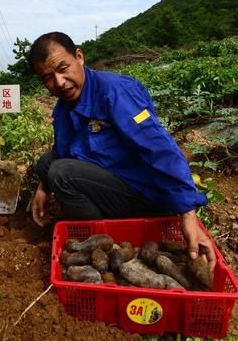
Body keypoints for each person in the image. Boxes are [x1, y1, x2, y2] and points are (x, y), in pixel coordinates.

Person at [28, 32, 216, 271]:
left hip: (145, 194)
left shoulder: (116, 93)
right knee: (47, 164)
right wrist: (43, 187)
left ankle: (103, 244)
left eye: (63, 68)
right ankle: (102, 237)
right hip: (112, 180)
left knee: (62, 173)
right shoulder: (64, 107)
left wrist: (188, 213)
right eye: (48, 78)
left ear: (79, 57)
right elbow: (62, 149)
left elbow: (159, 149)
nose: (60, 82)